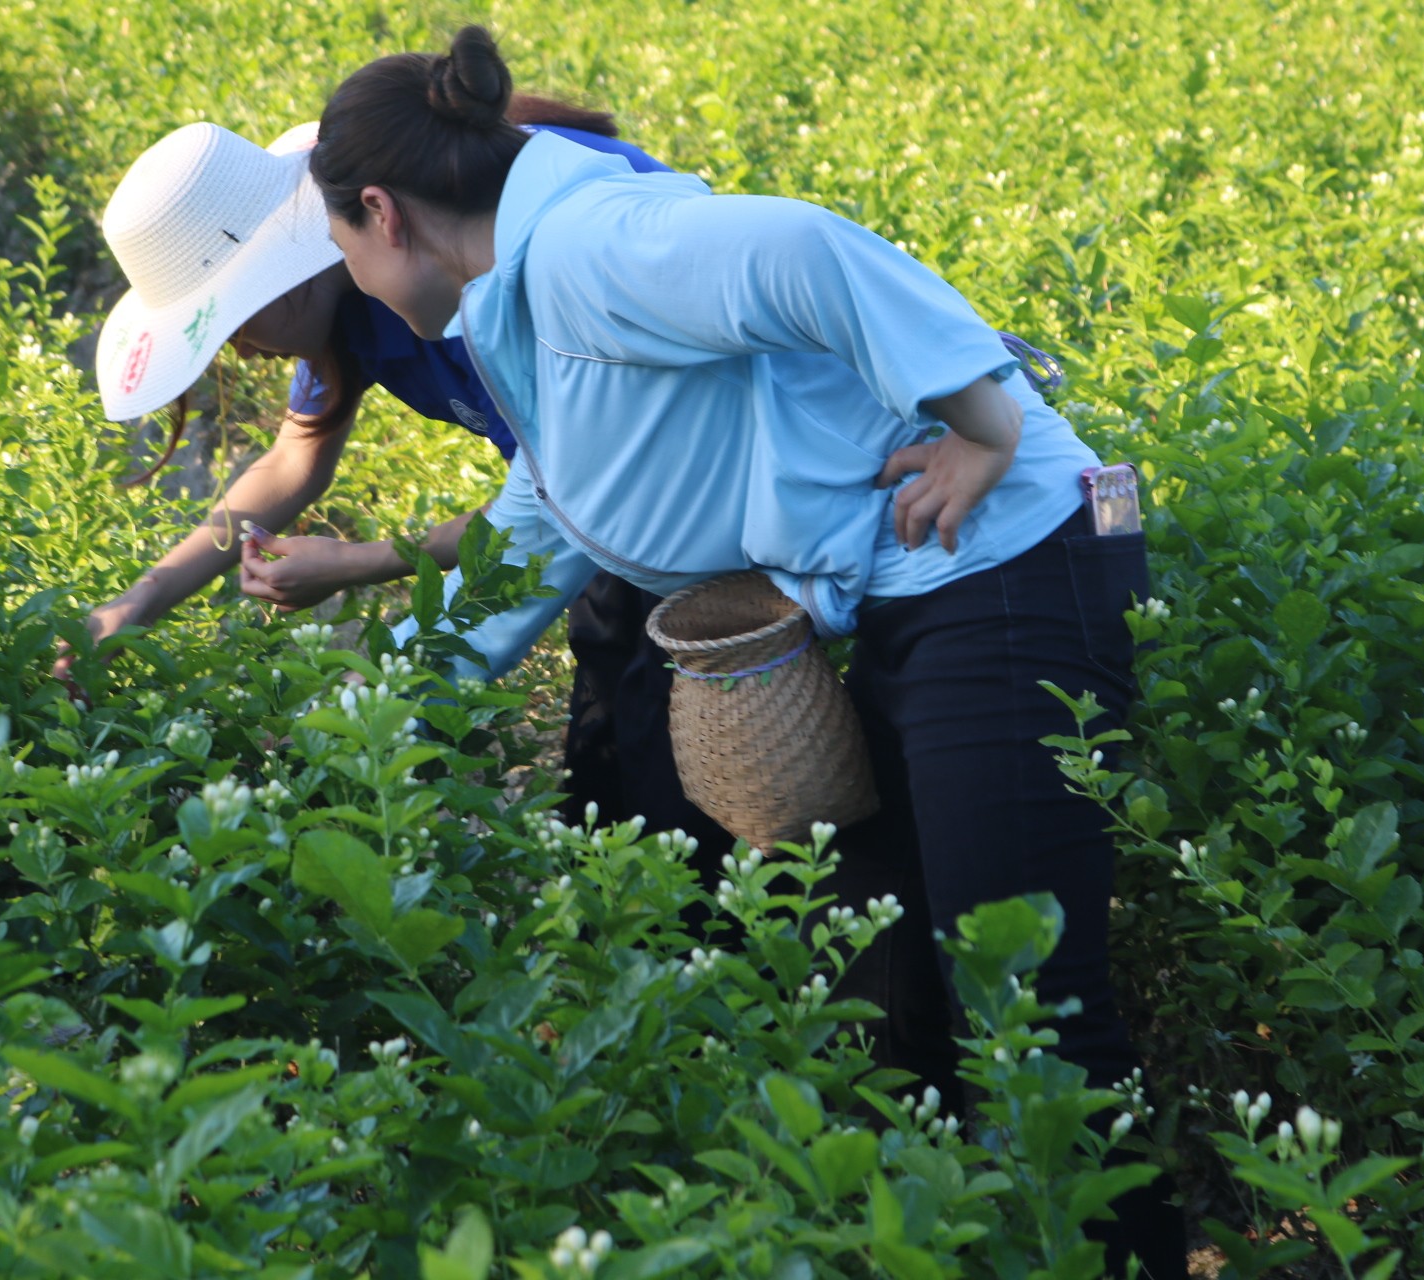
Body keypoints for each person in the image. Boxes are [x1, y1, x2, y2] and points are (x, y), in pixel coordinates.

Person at [307, 27, 1186, 1278]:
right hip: (912, 590)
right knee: (885, 992)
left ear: (379, 211)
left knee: (1029, 1003)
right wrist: (376, 716)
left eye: (337, 247)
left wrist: (982, 423)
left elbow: (802, 246)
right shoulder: (525, 295)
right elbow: (539, 519)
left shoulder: (586, 251)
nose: (349, 275)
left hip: (1008, 566)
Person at [66, 102, 737, 856]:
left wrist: (369, 571)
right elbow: (296, 457)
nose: (242, 348)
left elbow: (560, 497)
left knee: (668, 744)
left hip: (685, 461)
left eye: (232, 320)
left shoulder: (450, 277)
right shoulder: (349, 285)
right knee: (610, 741)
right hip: (595, 497)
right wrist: (138, 601)